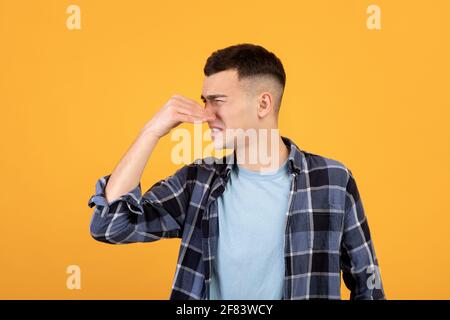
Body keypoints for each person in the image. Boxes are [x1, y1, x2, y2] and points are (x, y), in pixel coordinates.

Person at [88, 43, 385, 300]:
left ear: (263, 103)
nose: (206, 114)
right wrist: (150, 132)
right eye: (205, 101)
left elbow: (368, 284)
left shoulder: (332, 181)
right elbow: (111, 225)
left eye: (217, 101)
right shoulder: (198, 181)